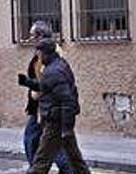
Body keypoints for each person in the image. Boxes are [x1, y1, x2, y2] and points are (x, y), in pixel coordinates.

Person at [19, 38, 91, 174]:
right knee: (75, 159)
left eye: (39, 54)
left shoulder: (54, 71)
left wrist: (66, 129)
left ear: (45, 53)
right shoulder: (58, 65)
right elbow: (47, 86)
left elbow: (67, 100)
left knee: (41, 160)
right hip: (60, 121)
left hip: (56, 123)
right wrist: (28, 82)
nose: (38, 57)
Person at [21, 22, 71, 174]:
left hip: (44, 109)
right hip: (47, 109)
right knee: (41, 143)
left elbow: (45, 83)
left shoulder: (47, 55)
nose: (30, 39)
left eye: (32, 36)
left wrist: (34, 94)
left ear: (40, 36)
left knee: (34, 141)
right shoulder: (51, 51)